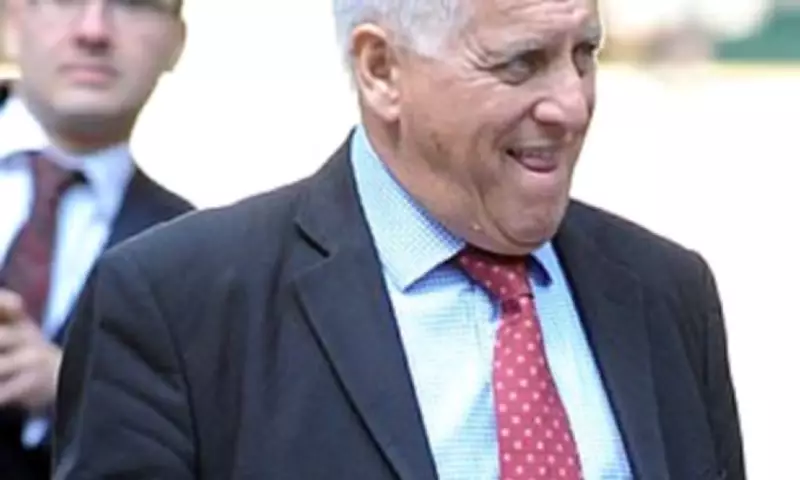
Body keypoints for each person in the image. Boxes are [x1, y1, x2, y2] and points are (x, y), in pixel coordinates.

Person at [53, 0, 746, 478]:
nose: (571, 104)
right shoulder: (179, 308)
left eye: (584, 53)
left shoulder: (666, 292)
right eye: (521, 63)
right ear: (381, 69)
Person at [0, 0, 192, 478]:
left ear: (177, 42)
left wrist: (78, 388)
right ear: (11, 19)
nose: (93, 31)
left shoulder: (195, 259)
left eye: (134, 3)